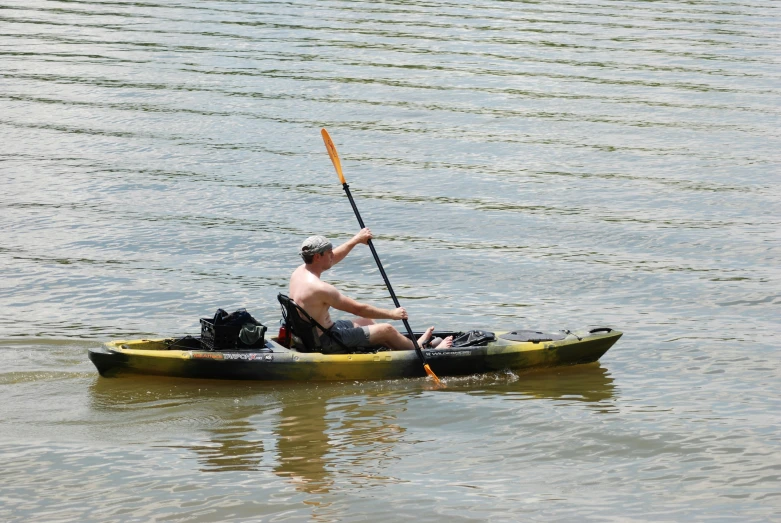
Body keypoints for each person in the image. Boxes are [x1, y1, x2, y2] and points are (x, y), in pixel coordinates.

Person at [288, 229, 453, 353]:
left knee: (366, 321)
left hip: (314, 333)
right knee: (386, 329)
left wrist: (356, 240)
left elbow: (333, 259)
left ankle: (397, 346)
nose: (333, 255)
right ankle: (422, 350)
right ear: (317, 257)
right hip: (326, 341)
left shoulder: (300, 272)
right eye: (329, 252)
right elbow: (358, 308)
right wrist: (393, 314)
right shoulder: (320, 288)